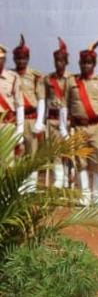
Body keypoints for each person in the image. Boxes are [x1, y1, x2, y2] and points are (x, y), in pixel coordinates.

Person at [61, 41, 98, 205]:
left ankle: (97, 196)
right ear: (79, 64)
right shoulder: (71, 81)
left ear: (94, 64)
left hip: (96, 127)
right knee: (80, 162)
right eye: (83, 63)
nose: (86, 66)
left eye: (89, 63)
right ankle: (85, 195)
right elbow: (64, 106)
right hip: (78, 127)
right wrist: (63, 130)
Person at [12, 34, 44, 189]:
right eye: (18, 59)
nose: (21, 61)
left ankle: (30, 186)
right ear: (14, 60)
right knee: (17, 153)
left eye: (24, 58)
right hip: (15, 120)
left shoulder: (35, 76)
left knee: (31, 154)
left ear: (28, 59)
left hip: (31, 119)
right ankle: (18, 185)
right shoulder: (9, 75)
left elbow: (41, 99)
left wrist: (39, 121)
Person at [43, 39, 71, 188]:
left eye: (61, 61)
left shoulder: (71, 79)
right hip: (52, 119)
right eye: (56, 61)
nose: (58, 63)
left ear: (66, 62)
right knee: (55, 150)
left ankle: (68, 177)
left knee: (67, 150)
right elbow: (45, 98)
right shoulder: (48, 79)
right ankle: (59, 179)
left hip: (67, 120)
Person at [0, 44, 24, 154]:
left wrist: (20, 131)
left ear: (4, 60)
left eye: (1, 59)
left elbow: (19, 105)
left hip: (7, 124)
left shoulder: (13, 77)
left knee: (8, 161)